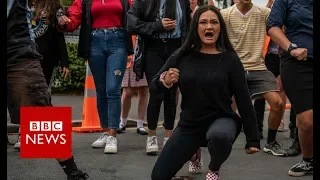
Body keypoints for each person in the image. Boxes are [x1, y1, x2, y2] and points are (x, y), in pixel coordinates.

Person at [150, 5, 260, 180]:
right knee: (158, 177)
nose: (209, 27)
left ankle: (213, 168)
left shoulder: (230, 60)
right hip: (190, 124)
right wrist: (165, 80)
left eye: (214, 22)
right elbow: (154, 86)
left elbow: (244, 99)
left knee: (219, 137)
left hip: (222, 119)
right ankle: (194, 153)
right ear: (196, 27)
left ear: (220, 28)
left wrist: (253, 139)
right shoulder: (182, 56)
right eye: (203, 22)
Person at [7, 0, 88, 179]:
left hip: (17, 52)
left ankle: (73, 173)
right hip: (20, 49)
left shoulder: (49, 5)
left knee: (39, 110)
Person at [57, 0, 134, 154]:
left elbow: (136, 15)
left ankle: (113, 134)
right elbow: (73, 20)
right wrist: (63, 21)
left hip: (118, 41)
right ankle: (105, 131)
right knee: (101, 90)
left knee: (112, 89)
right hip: (95, 42)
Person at [215, 0, 287, 157]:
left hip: (258, 67)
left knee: (278, 103)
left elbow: (280, 28)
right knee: (228, 111)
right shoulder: (224, 14)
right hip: (233, 68)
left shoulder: (264, 13)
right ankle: (222, 143)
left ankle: (271, 142)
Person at [127, 0, 192, 154]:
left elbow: (188, 27)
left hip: (176, 47)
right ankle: (152, 136)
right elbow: (131, 23)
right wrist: (157, 26)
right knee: (156, 92)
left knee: (172, 94)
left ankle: (169, 138)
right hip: (154, 48)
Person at [267, 0, 313, 177]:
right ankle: (308, 161)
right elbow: (272, 27)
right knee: (308, 121)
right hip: (297, 63)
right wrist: (291, 47)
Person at [119, 35, 149, 135]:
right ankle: (122, 122)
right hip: (129, 56)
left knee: (143, 90)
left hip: (144, 54)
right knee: (127, 92)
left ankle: (140, 125)